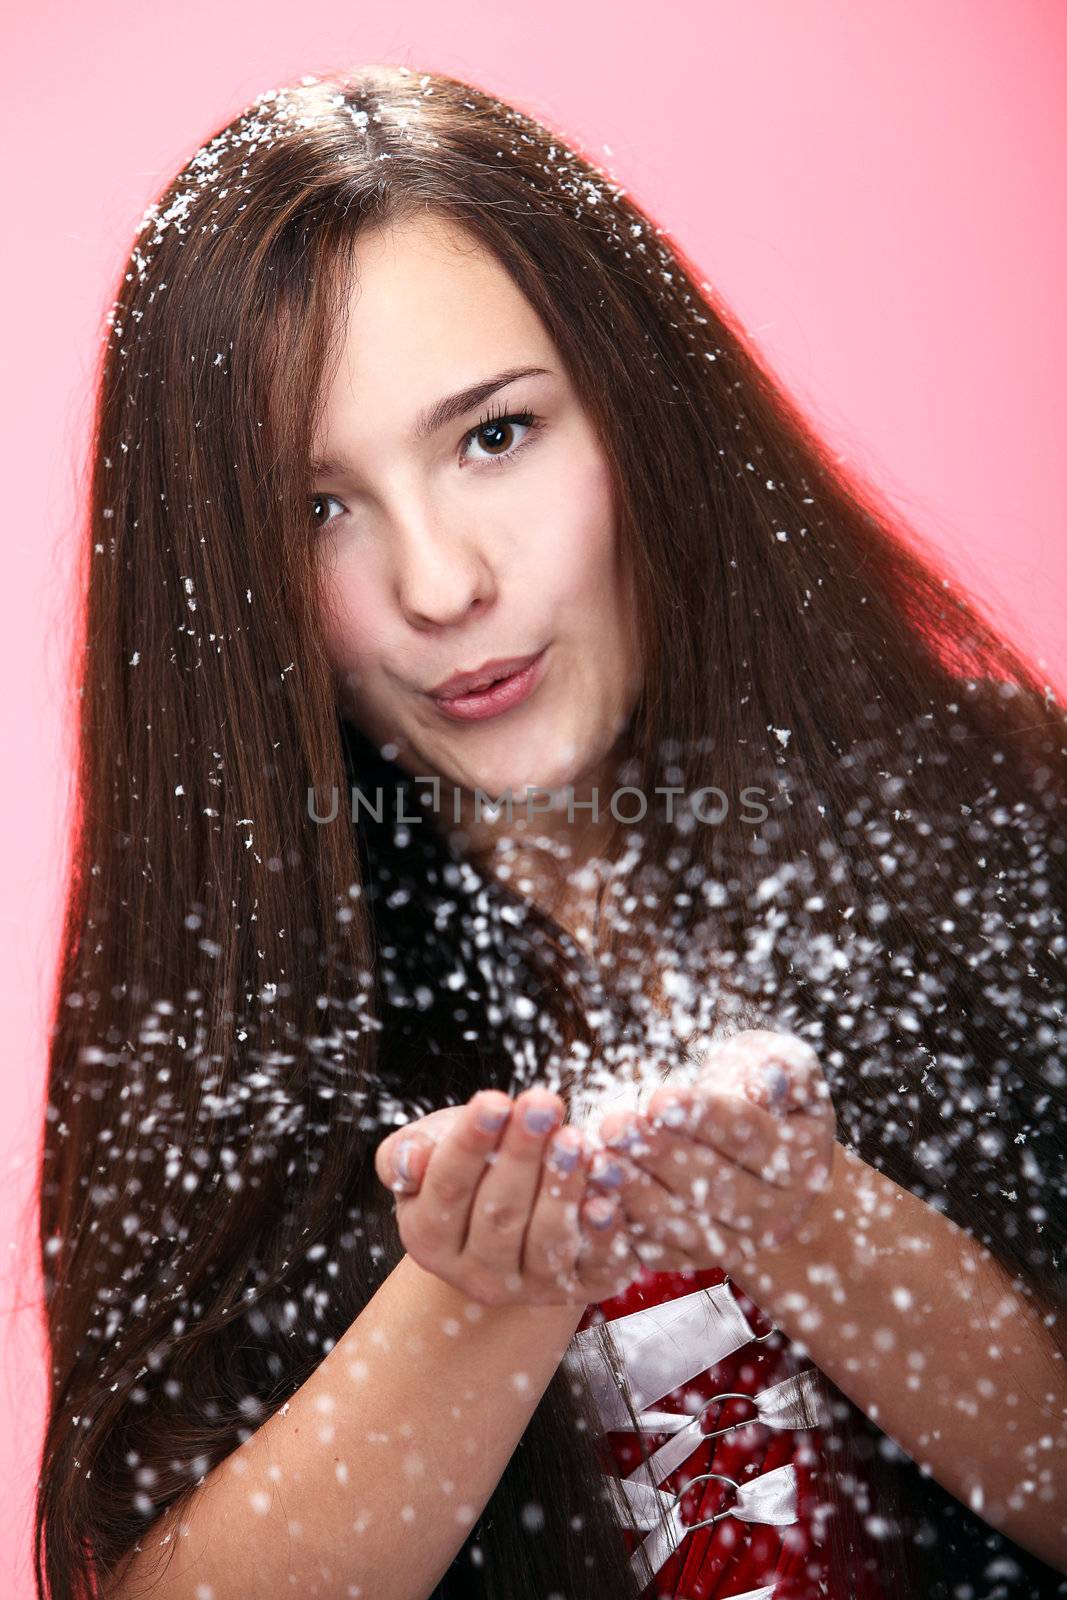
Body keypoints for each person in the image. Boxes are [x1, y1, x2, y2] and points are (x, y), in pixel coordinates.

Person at [34, 62, 1066, 1600]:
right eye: (319, 510)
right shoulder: (230, 1006)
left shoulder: (1002, 813)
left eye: (495, 437)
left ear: (640, 407)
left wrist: (814, 1225)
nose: (442, 582)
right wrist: (479, 1302)